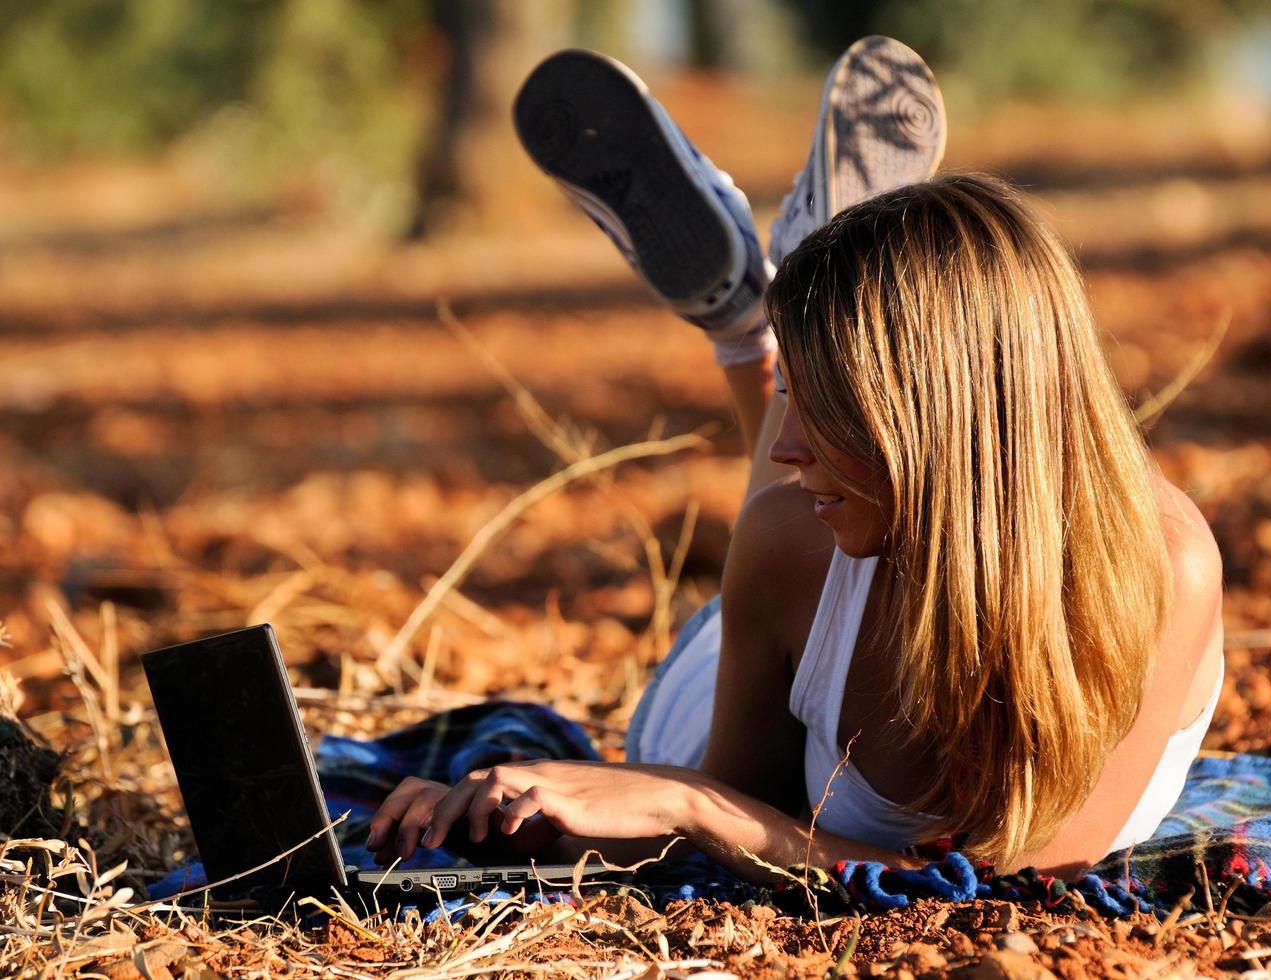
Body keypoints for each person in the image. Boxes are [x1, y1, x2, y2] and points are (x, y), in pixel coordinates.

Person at [365, 36, 1225, 880]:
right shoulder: (785, 542)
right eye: (799, 401)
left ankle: (758, 333)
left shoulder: (1159, 570)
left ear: (939, 420)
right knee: (784, 510)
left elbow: (1020, 883)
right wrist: (519, 824)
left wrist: (685, 803)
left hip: (852, 560)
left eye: (827, 410)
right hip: (763, 635)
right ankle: (770, 323)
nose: (781, 446)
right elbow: (737, 817)